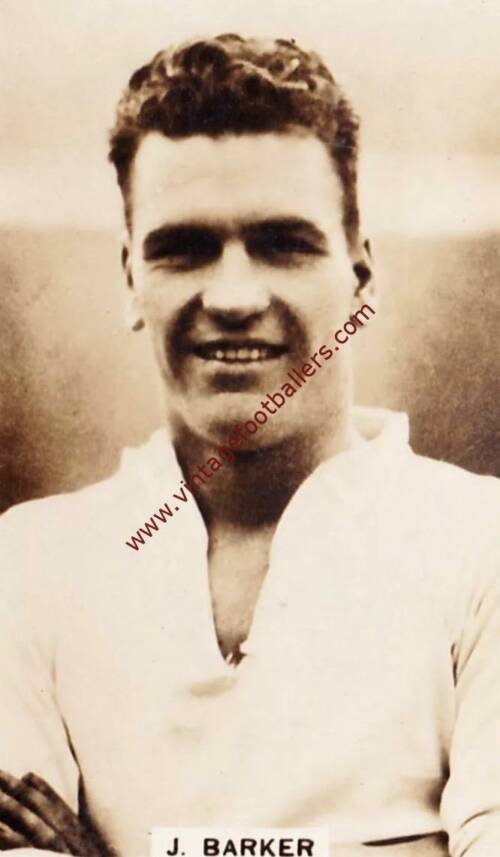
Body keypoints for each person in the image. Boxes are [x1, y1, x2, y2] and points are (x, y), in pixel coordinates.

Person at [0, 34, 498, 857]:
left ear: (361, 277)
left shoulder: (480, 543)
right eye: (184, 249)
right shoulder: (29, 564)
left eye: (282, 243)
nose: (232, 296)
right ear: (131, 280)